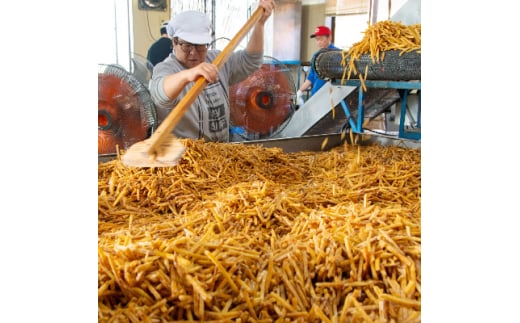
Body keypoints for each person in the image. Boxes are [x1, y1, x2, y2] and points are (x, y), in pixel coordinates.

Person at [148, 0, 275, 142]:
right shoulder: (167, 68)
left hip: (220, 156)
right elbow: (159, 93)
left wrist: (260, 24)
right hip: (188, 159)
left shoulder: (216, 59)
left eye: (200, 46)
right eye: (186, 45)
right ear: (174, 42)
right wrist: (188, 75)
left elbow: (251, 60)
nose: (193, 53)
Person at [296, 25, 339, 105]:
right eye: (317, 40)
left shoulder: (338, 55)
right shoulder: (316, 56)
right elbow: (310, 78)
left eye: (321, 39)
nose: (318, 42)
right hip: (316, 97)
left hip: (330, 100)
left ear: (329, 38)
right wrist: (300, 92)